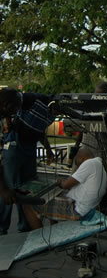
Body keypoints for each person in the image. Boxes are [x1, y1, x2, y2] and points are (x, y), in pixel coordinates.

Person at [0, 88, 55, 235]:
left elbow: (38, 130)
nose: (14, 111)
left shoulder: (40, 105)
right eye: (11, 109)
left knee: (27, 189)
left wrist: (48, 149)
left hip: (29, 148)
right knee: (10, 190)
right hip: (14, 146)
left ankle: (26, 228)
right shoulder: (21, 104)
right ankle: (1, 229)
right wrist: (3, 189)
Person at [23, 148, 107, 230]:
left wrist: (60, 182)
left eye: (77, 163)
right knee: (51, 197)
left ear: (81, 158)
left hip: (76, 210)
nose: (78, 167)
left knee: (29, 203)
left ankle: (39, 238)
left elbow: (66, 185)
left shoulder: (90, 163)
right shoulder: (98, 164)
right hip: (84, 206)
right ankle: (53, 229)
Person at [73, 81, 107, 160]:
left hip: (100, 152)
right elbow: (82, 129)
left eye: (100, 95)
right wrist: (76, 146)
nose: (97, 97)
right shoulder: (89, 108)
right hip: (85, 149)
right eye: (96, 94)